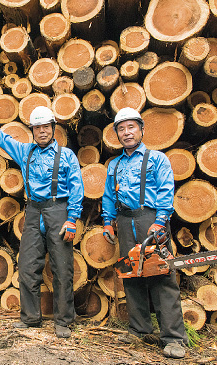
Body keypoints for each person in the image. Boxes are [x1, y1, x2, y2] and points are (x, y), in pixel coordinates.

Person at [0, 106, 84, 338]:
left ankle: (63, 321)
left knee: (62, 267)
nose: (42, 131)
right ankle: (30, 317)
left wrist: (72, 219)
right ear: (32, 130)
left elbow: (76, 188)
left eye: (46, 127)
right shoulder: (25, 151)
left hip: (58, 210)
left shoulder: (66, 155)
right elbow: (4, 139)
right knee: (28, 266)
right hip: (33, 213)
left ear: (53, 128)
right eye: (37, 127)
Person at [102, 107, 188, 359]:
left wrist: (161, 220)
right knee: (131, 274)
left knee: (162, 276)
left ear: (141, 129)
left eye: (131, 127)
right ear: (117, 134)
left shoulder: (157, 158)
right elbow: (108, 196)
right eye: (121, 128)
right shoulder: (114, 164)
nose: (127, 133)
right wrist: (108, 222)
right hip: (125, 219)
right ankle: (139, 329)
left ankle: (173, 338)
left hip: (150, 219)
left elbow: (165, 189)